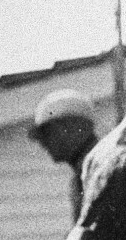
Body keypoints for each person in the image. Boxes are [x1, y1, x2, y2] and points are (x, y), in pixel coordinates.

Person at [29, 88, 98, 223]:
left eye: (48, 133)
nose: (43, 143)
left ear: (76, 127)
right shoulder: (82, 174)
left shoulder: (101, 168)